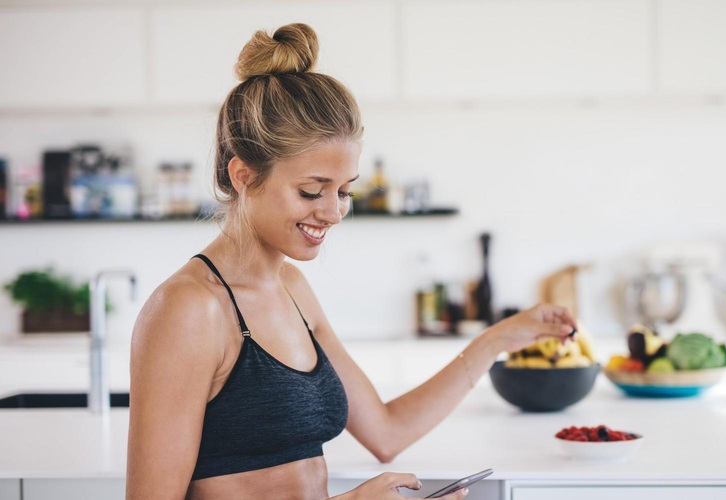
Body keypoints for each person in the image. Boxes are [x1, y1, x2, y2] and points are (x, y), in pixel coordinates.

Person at [126, 23, 577, 500]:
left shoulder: (292, 288)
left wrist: (500, 338)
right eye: (310, 191)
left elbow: (387, 432)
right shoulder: (188, 310)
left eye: (344, 191)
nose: (332, 212)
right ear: (243, 175)